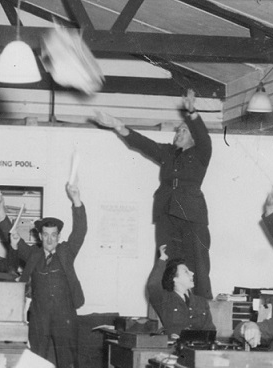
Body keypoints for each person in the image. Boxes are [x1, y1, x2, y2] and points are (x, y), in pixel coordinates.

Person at [91, 89, 214, 299]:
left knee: (198, 261)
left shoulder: (201, 153)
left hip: (192, 214)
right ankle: (167, 299)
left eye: (183, 131)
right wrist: (118, 126)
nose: (178, 134)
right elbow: (144, 144)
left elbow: (203, 136)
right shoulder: (167, 153)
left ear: (192, 137)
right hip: (166, 212)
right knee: (166, 259)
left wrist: (192, 112)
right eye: (177, 131)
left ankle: (202, 301)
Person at [0, 182, 87, 368]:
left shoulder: (67, 251)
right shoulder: (34, 255)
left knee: (68, 366)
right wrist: (0, 211)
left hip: (66, 319)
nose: (49, 239)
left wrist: (76, 200)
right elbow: (13, 236)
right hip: (39, 319)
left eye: (53, 235)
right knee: (36, 363)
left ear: (58, 235)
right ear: (39, 236)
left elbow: (80, 231)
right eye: (45, 235)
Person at [147, 244, 215, 339]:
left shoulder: (201, 302)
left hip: (198, 348)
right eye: (186, 272)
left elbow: (210, 330)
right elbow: (153, 285)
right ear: (174, 278)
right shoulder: (164, 299)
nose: (192, 273)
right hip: (173, 348)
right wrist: (162, 259)